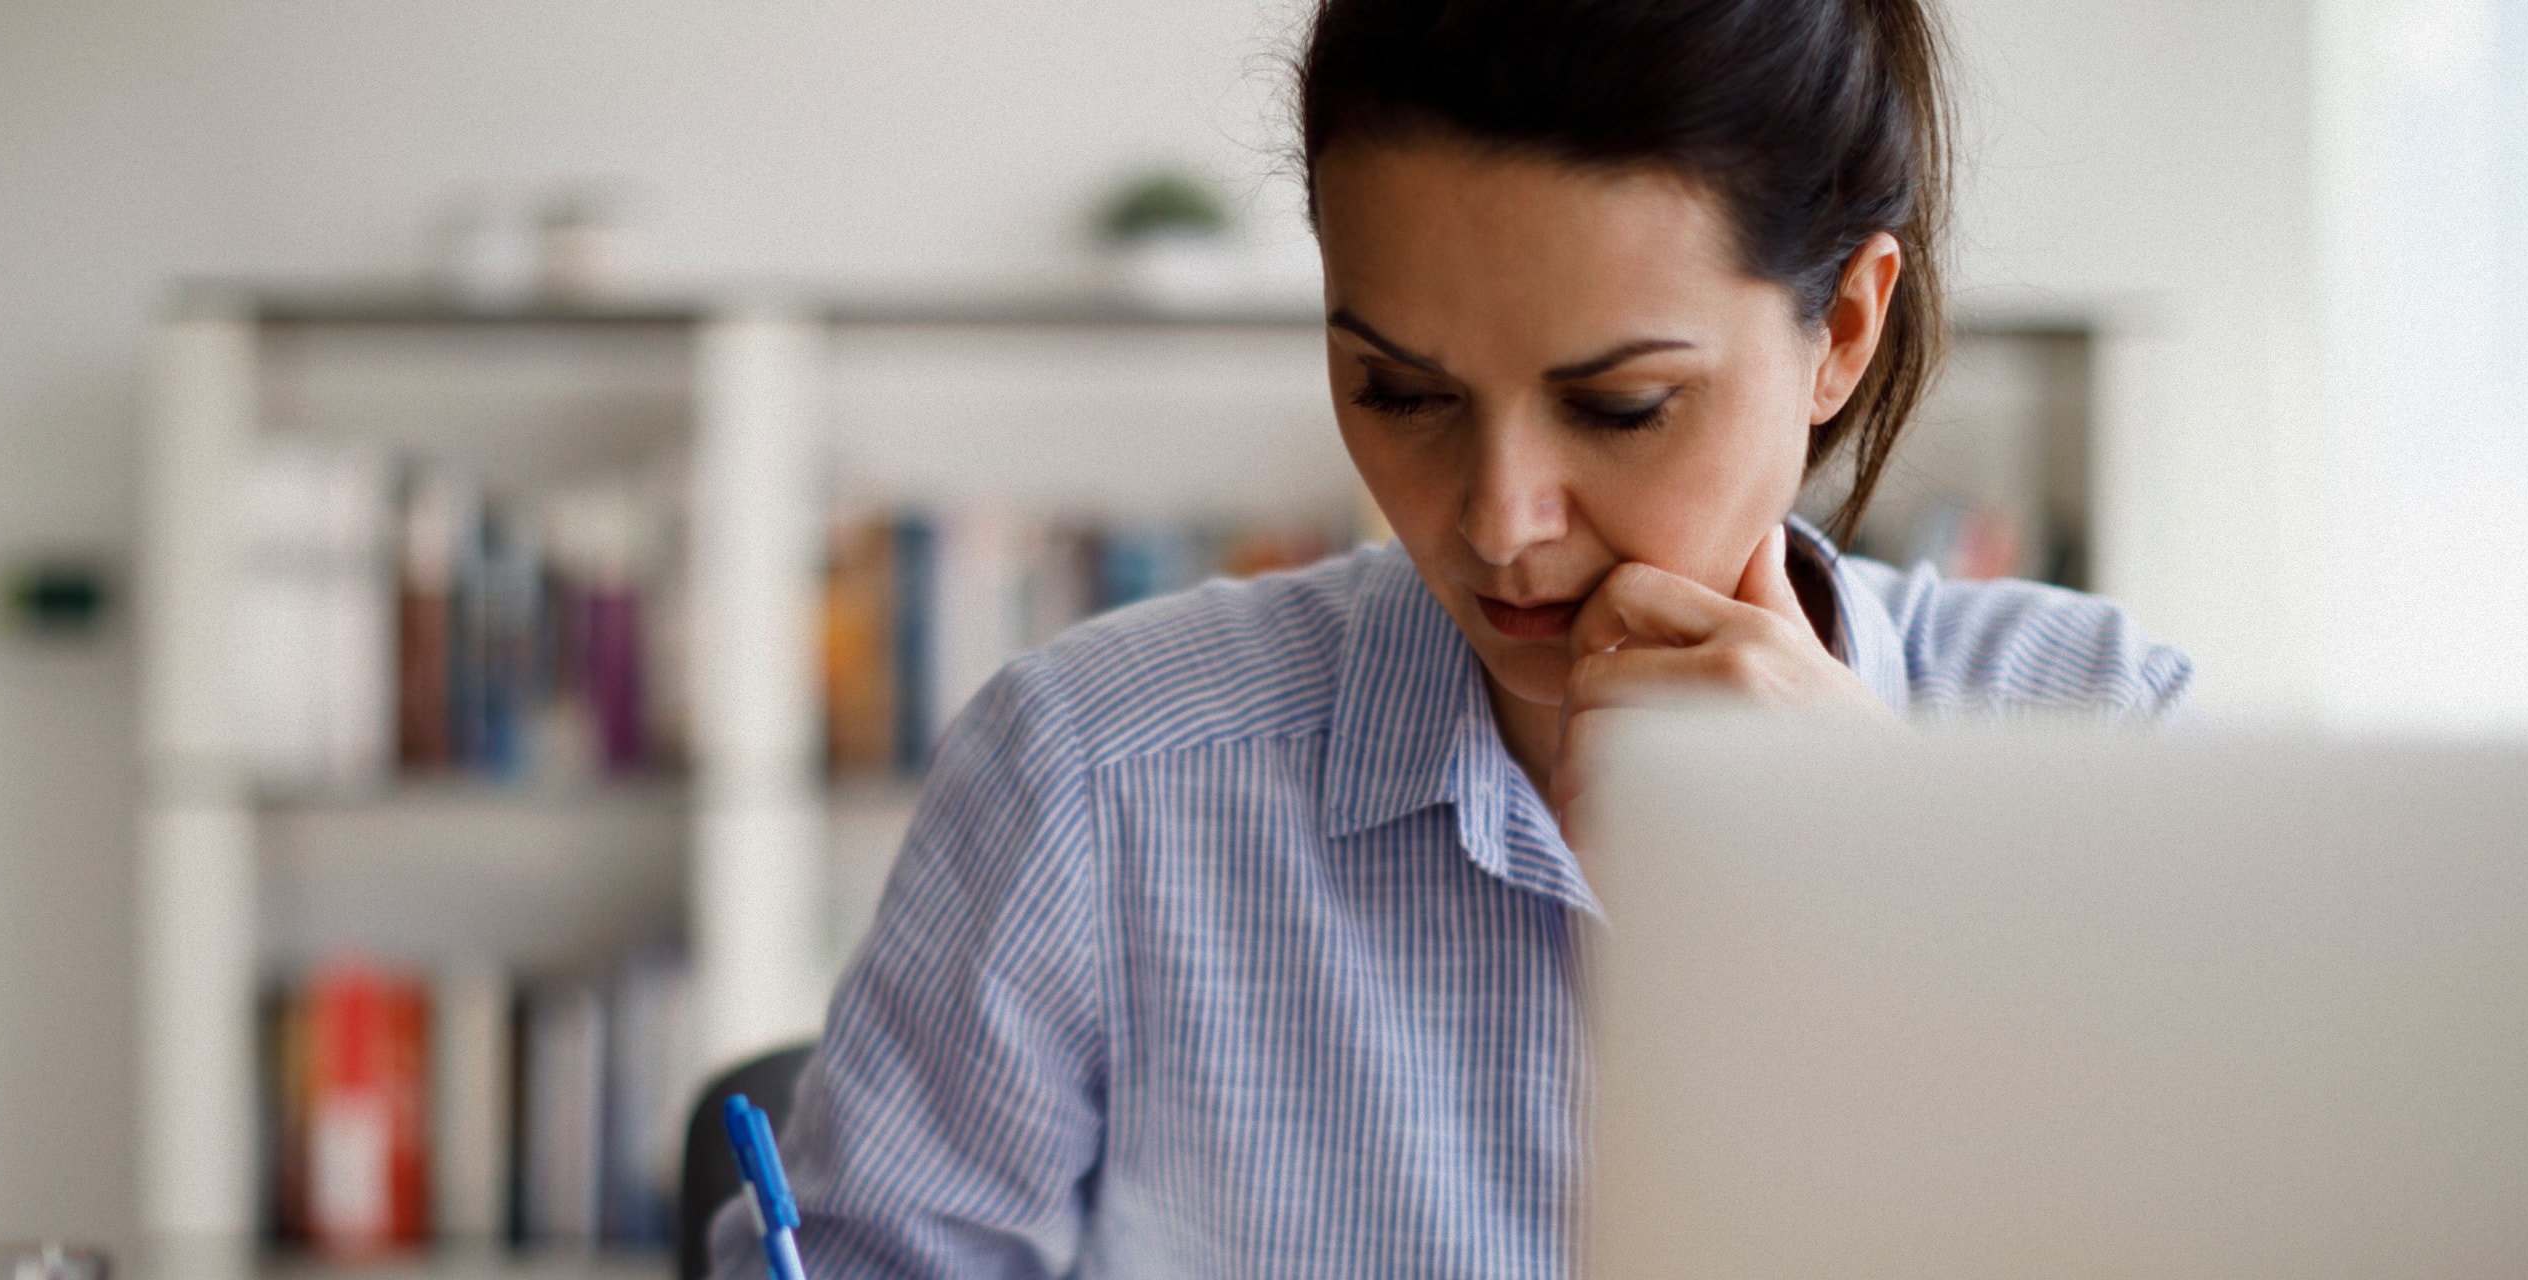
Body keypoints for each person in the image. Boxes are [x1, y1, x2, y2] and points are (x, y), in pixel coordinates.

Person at [772, 0, 2193, 1275]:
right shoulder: (1092, 779)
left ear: (1843, 329)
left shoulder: (2104, 742)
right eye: (1397, 390)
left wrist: (1895, 891)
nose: (1500, 521)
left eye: (1620, 406)